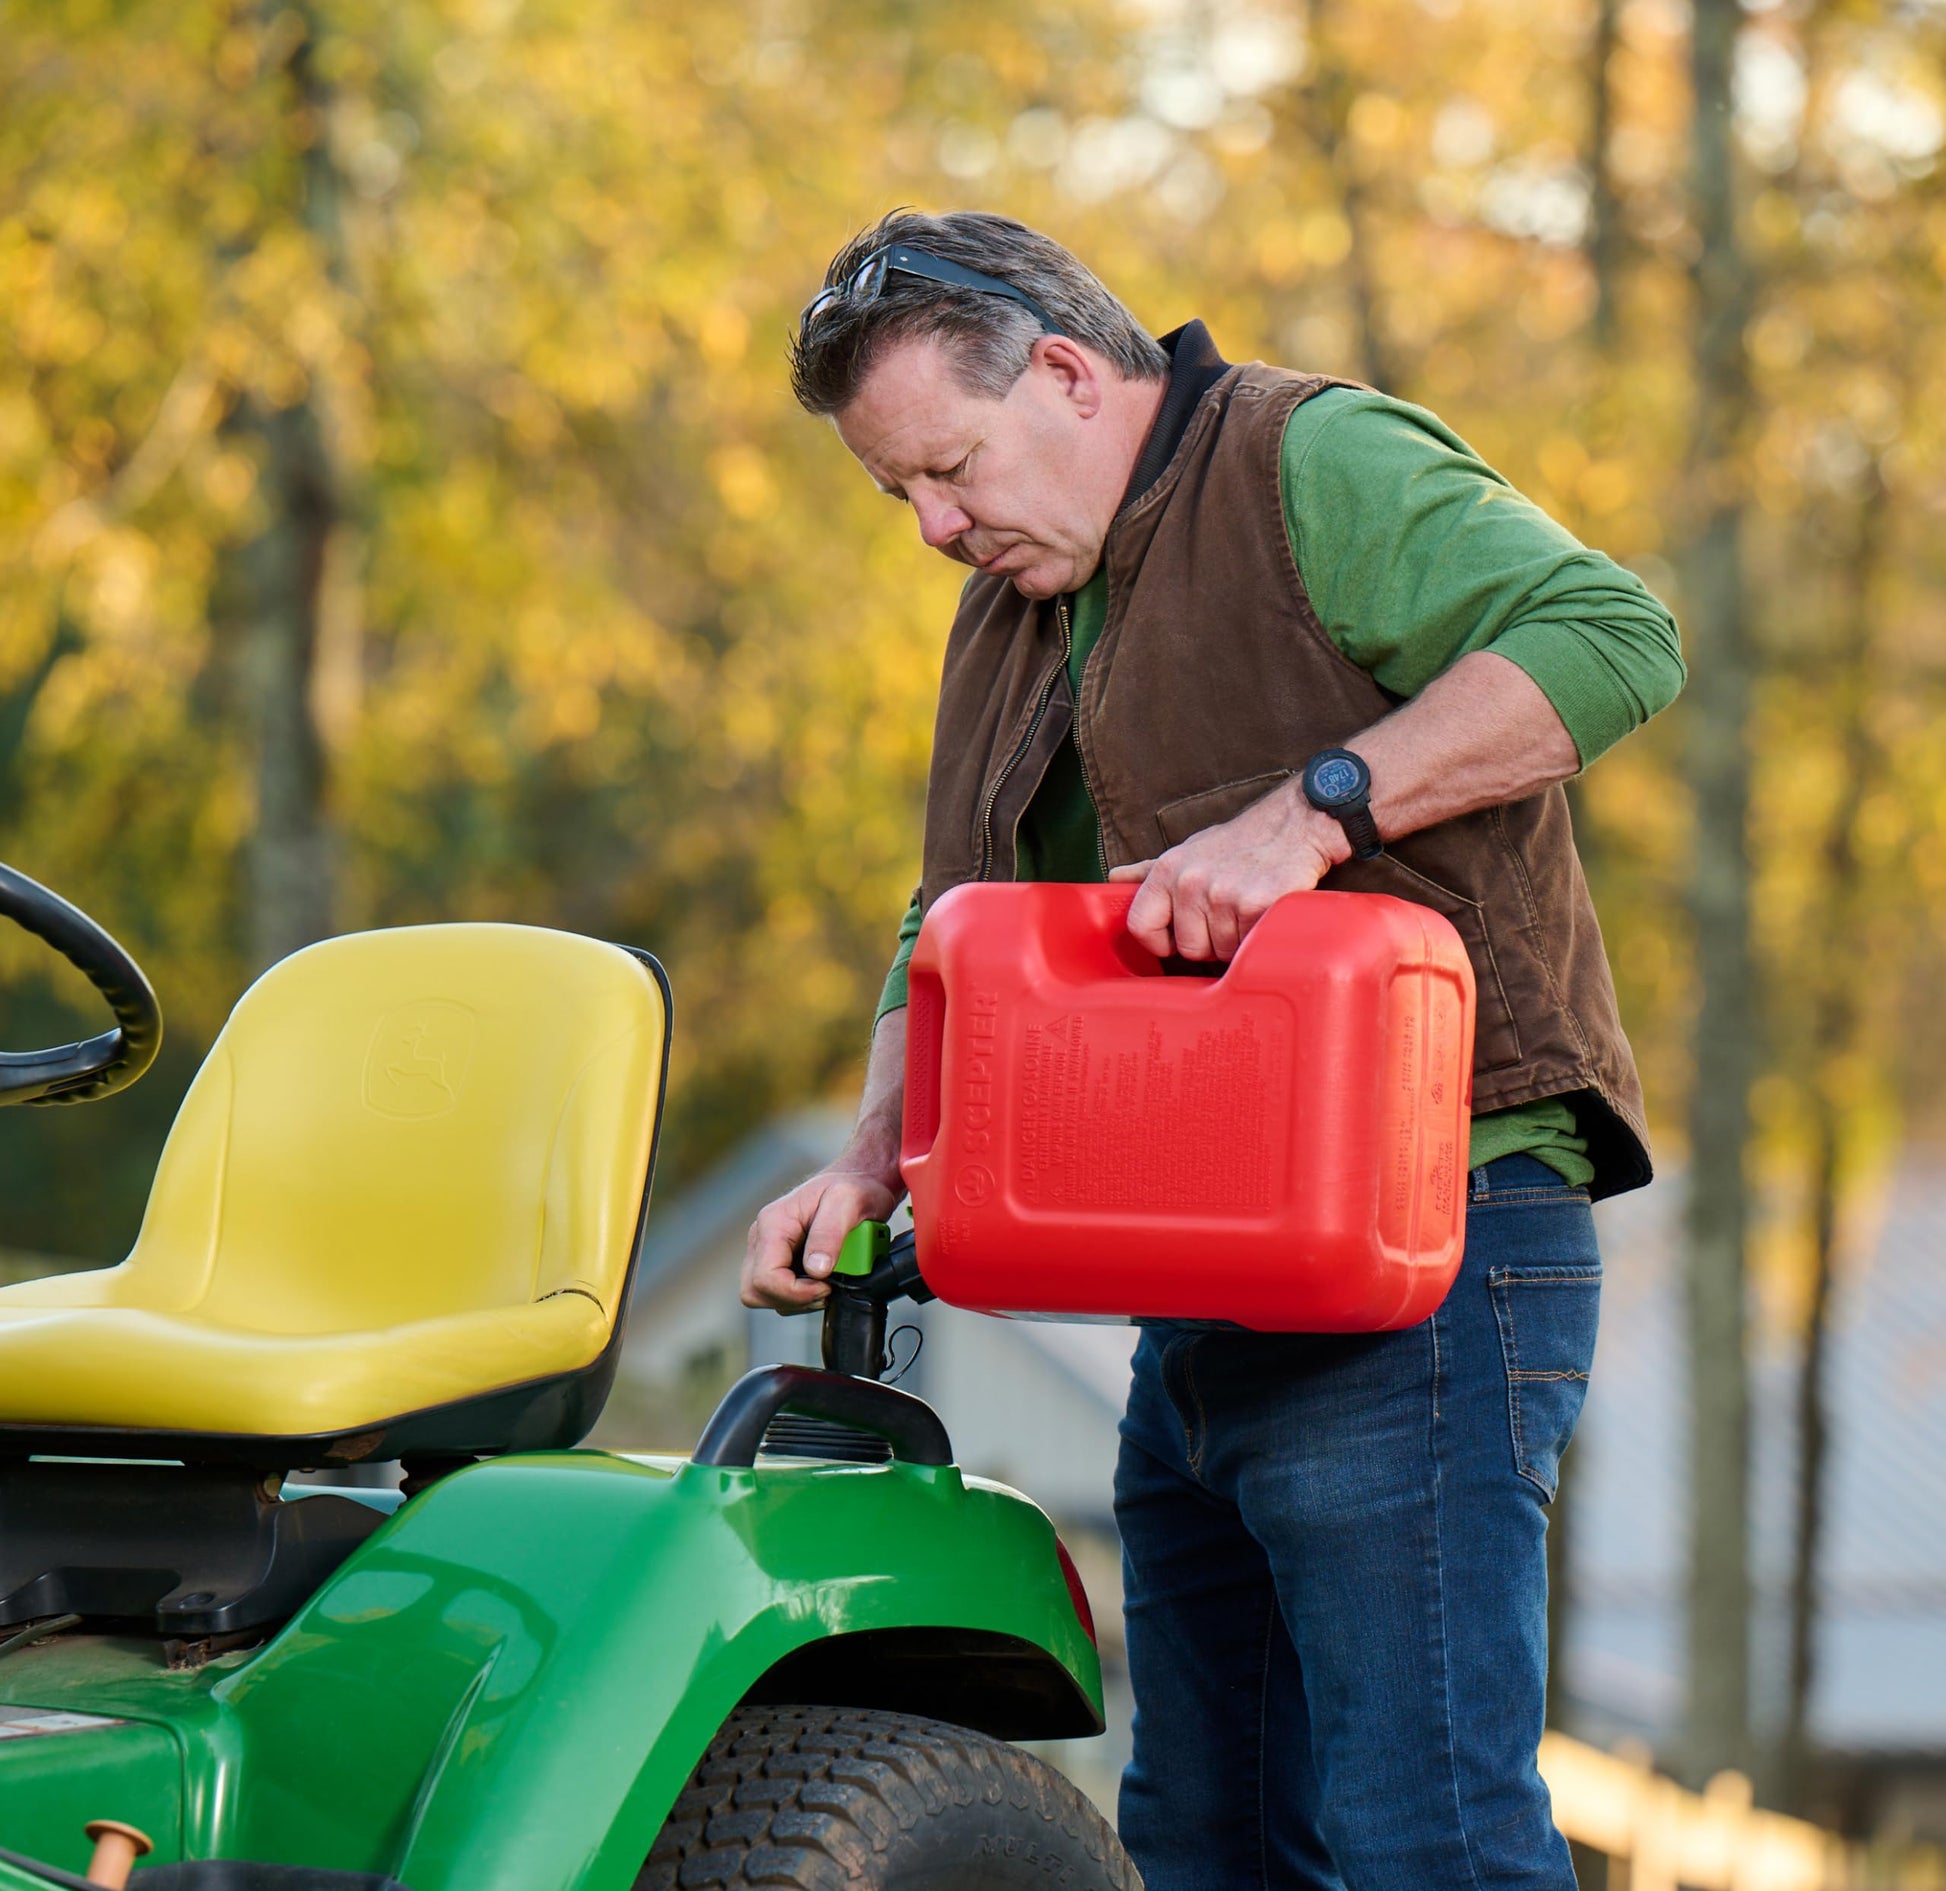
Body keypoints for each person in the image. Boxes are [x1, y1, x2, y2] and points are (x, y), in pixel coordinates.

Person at [742, 209, 1683, 1890]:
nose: (932, 526)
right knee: (1209, 1839)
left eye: (946, 469)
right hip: (1202, 1293)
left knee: (1430, 1843)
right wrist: (875, 1152)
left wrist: (1315, 815)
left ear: (1064, 372)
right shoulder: (1020, 606)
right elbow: (947, 923)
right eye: (900, 497)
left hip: (1426, 1263)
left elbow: (1609, 637)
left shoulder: (1304, 460)